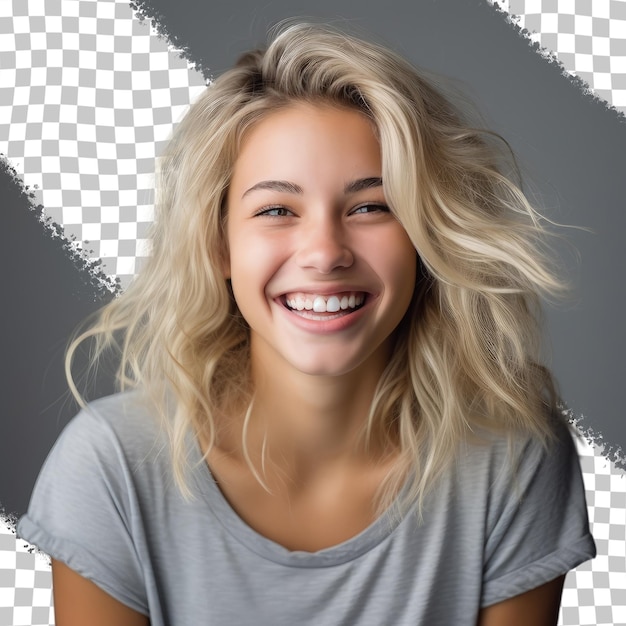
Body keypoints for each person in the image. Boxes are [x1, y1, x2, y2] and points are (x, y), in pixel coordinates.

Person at [18, 22, 595, 626]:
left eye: (372, 206)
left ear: (426, 236)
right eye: (276, 210)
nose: (325, 252)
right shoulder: (110, 466)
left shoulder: (512, 456)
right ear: (219, 247)